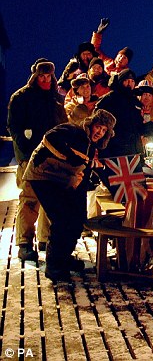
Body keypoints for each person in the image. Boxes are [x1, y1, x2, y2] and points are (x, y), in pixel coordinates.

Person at [23, 109, 116, 282]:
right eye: (98, 127)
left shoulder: (91, 147)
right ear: (91, 124)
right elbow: (50, 138)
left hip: (63, 181)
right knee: (62, 219)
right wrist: (70, 156)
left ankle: (64, 257)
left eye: (104, 131)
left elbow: (85, 172)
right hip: (43, 175)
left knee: (76, 218)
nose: (99, 132)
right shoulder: (72, 130)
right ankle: (54, 265)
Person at [7, 59, 67, 261]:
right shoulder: (21, 97)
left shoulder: (55, 100)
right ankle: (24, 243)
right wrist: (24, 149)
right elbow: (14, 127)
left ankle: (45, 239)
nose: (45, 79)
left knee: (51, 200)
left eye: (48, 75)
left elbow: (63, 126)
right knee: (30, 200)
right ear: (35, 76)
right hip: (30, 157)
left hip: (53, 158)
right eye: (41, 75)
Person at [94, 69, 144, 157]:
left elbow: (138, 124)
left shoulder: (135, 101)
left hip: (134, 148)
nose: (129, 84)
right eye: (126, 80)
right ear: (121, 82)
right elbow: (98, 121)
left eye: (132, 81)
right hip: (114, 148)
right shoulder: (109, 99)